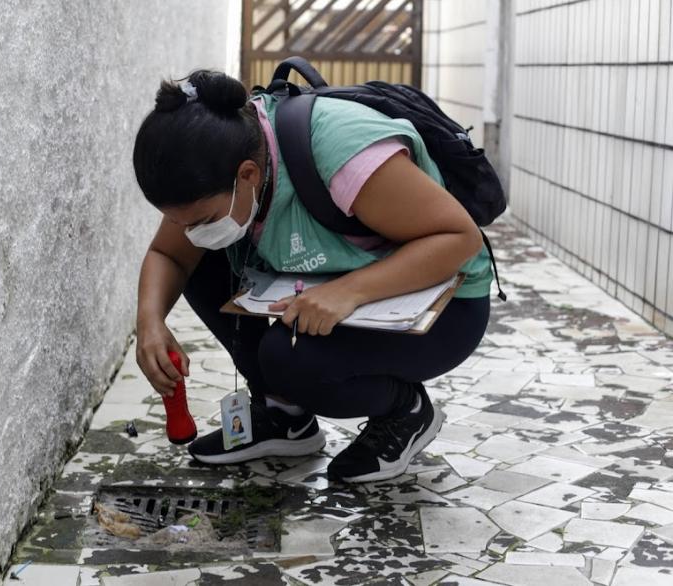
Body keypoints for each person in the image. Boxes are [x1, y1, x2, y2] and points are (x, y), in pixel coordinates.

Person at [132, 70, 491, 483]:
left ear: (248, 175)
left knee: (289, 359)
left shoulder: (341, 151)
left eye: (202, 219)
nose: (191, 231)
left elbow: (458, 238)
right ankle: (284, 417)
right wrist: (150, 323)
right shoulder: (221, 167)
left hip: (441, 302)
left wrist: (350, 291)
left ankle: (403, 410)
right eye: (181, 222)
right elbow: (168, 254)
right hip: (338, 277)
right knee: (202, 264)